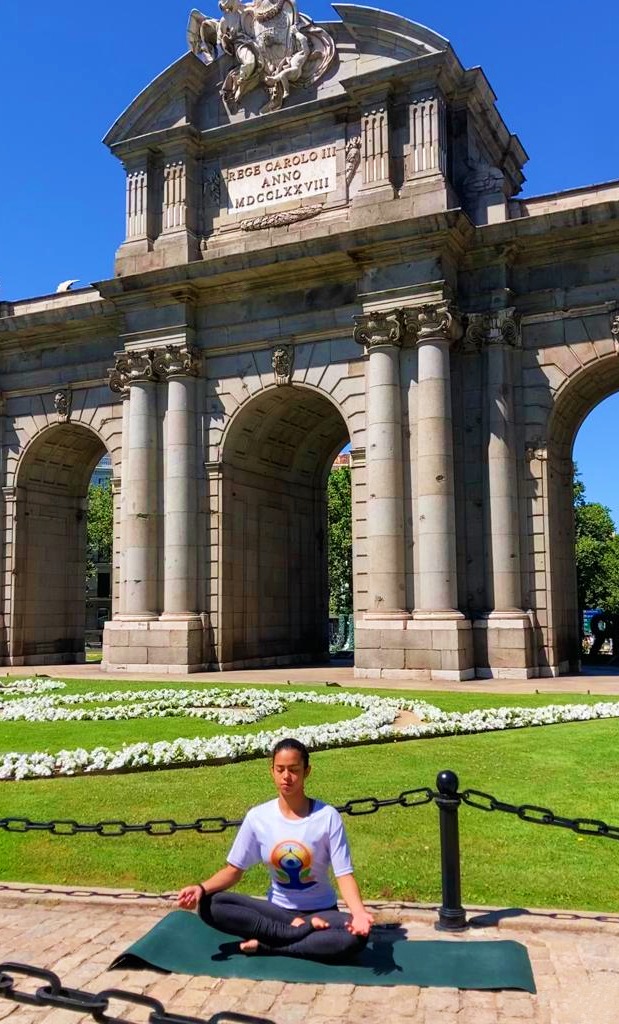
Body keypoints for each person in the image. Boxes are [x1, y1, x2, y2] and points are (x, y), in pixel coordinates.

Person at [177, 737, 374, 961]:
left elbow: (344, 874)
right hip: (277, 914)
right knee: (211, 904)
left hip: (322, 911)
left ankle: (270, 946)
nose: (286, 777)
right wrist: (201, 888)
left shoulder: (327, 817)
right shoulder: (258, 817)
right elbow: (233, 870)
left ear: (307, 771)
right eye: (280, 769)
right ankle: (299, 931)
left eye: (294, 770)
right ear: (271, 771)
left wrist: (358, 914)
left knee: (356, 937)